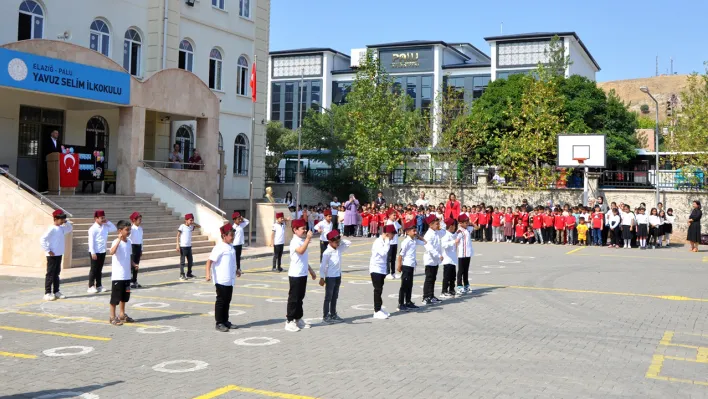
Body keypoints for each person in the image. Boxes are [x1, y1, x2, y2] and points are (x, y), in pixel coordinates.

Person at [206, 223, 240, 332]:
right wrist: (208, 274)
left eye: (233, 236)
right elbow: (209, 261)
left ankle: (226, 321)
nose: (233, 238)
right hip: (221, 279)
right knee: (221, 301)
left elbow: (233, 262)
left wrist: (237, 270)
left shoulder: (231, 247)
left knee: (227, 300)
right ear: (224, 236)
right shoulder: (219, 247)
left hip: (229, 279)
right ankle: (219, 322)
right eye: (231, 236)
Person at [284, 219, 317, 332]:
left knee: (300, 298)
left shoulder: (301, 241)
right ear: (295, 230)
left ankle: (298, 319)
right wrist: (308, 239)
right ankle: (289, 321)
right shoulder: (294, 242)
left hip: (302, 273)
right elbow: (301, 251)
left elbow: (303, 259)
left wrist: (311, 270)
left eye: (305, 228)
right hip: (295, 274)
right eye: (302, 228)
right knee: (293, 298)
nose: (305, 230)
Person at [40, 210, 73, 301]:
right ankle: (47, 293)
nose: (62, 221)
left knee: (56, 273)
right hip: (52, 255)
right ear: (55, 218)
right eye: (61, 219)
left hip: (59, 254)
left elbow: (70, 228)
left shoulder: (61, 228)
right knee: (50, 274)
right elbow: (42, 239)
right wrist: (48, 250)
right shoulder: (52, 228)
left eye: (63, 219)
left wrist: (66, 221)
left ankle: (56, 291)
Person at [108, 220, 137, 326]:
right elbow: (111, 252)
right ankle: (112, 317)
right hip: (118, 275)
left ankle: (122, 314)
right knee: (115, 297)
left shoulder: (129, 242)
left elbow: (128, 256)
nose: (128, 232)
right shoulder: (116, 241)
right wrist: (119, 240)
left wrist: (133, 264)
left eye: (129, 230)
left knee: (124, 297)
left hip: (126, 275)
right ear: (120, 231)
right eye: (126, 230)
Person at [319, 230, 350, 323]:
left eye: (338, 242)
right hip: (330, 277)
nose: (338, 243)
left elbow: (349, 243)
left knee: (335, 296)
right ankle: (325, 315)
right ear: (330, 242)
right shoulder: (327, 252)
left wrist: (339, 238)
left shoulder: (338, 249)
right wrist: (321, 277)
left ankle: (333, 314)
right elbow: (323, 266)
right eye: (336, 242)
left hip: (338, 275)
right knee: (328, 296)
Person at [397, 221, 425, 312]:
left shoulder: (414, 240)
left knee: (410, 285)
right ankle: (401, 304)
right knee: (404, 285)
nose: (415, 232)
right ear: (408, 232)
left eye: (416, 230)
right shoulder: (406, 242)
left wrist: (418, 236)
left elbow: (425, 242)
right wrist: (399, 265)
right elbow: (401, 255)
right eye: (414, 231)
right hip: (406, 265)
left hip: (412, 265)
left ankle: (408, 302)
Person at [87, 210, 116, 294]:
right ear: (96, 218)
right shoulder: (93, 229)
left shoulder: (105, 226)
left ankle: (99, 285)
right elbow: (91, 241)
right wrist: (92, 252)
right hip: (95, 252)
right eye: (101, 218)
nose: (103, 219)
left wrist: (108, 222)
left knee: (99, 269)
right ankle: (91, 286)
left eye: (104, 217)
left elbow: (114, 229)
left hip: (102, 250)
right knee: (94, 269)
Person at [370, 224, 395, 320]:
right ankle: (376, 311)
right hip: (375, 269)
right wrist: (388, 241)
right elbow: (384, 252)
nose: (393, 237)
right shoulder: (378, 242)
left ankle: (379, 308)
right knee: (377, 290)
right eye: (392, 234)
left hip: (381, 269)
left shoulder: (383, 241)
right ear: (388, 234)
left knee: (380, 289)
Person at [422, 215, 443, 305]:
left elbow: (444, 231)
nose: (438, 225)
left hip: (435, 260)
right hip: (430, 260)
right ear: (431, 225)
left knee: (433, 278)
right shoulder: (428, 234)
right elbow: (429, 247)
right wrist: (438, 255)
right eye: (436, 224)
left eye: (438, 223)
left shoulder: (435, 232)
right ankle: (425, 297)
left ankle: (431, 295)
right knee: (429, 279)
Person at [177, 213, 201, 280]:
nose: (191, 221)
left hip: (189, 246)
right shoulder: (182, 226)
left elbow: (199, 226)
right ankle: (182, 274)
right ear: (186, 220)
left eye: (192, 220)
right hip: (183, 247)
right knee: (182, 262)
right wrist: (177, 244)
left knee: (190, 261)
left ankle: (189, 273)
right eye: (190, 220)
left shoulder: (191, 227)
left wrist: (194, 223)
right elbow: (178, 235)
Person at [440, 218, 459, 299]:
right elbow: (444, 245)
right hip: (447, 259)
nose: (455, 227)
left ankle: (451, 289)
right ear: (450, 226)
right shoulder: (445, 235)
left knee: (453, 276)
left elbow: (454, 236)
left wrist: (457, 233)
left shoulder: (451, 234)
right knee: (447, 276)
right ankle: (444, 291)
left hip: (453, 259)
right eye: (454, 226)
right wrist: (454, 242)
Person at [456, 214, 473, 295]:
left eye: (467, 222)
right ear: (460, 223)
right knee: (461, 270)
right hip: (462, 253)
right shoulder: (459, 231)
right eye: (465, 222)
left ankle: (466, 285)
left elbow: (477, 227)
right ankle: (459, 285)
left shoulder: (468, 229)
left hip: (468, 253)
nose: (467, 224)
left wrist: (471, 223)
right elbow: (456, 241)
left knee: (466, 270)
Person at [385, 209, 401, 280]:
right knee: (388, 258)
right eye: (393, 215)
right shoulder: (388, 223)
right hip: (390, 243)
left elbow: (402, 227)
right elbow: (387, 234)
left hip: (395, 242)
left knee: (393, 259)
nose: (395, 216)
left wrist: (401, 218)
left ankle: (393, 273)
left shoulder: (395, 222)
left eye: (395, 215)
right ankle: (387, 273)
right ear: (389, 216)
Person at [129, 212, 143, 289]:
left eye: (141, 219)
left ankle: (135, 280)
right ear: (134, 220)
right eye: (139, 219)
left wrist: (141, 249)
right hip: (132, 247)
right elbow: (129, 239)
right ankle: (130, 281)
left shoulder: (140, 228)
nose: (140, 221)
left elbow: (141, 239)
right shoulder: (131, 229)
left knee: (137, 265)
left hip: (138, 247)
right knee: (132, 265)